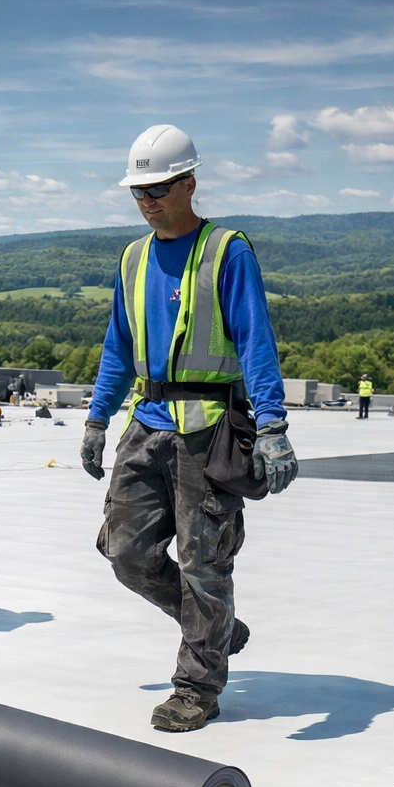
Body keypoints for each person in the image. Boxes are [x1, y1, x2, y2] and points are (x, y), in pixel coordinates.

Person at [79, 124, 298, 732]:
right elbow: (118, 345)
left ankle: (196, 686)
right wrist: (98, 417)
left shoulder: (228, 250)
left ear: (189, 183)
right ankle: (217, 626)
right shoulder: (133, 257)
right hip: (145, 423)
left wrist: (273, 422)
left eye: (158, 189)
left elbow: (256, 338)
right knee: (124, 552)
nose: (146, 201)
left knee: (206, 562)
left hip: (209, 430)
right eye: (138, 192)